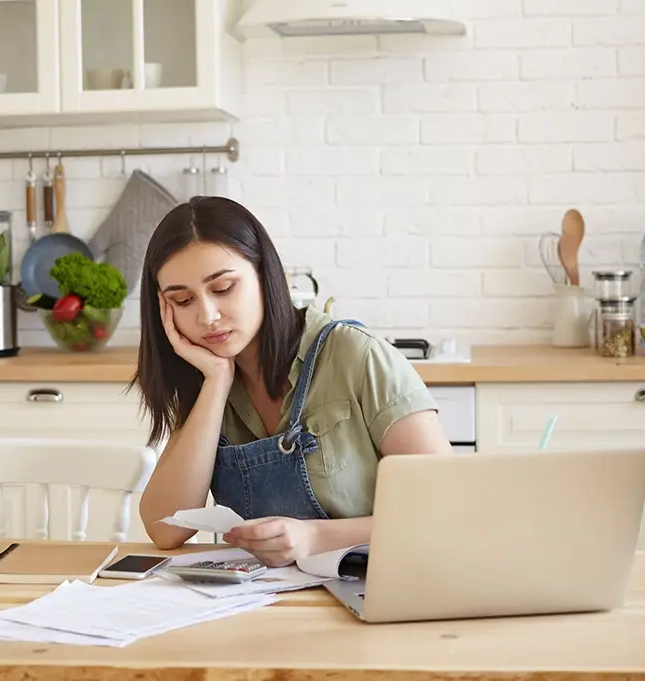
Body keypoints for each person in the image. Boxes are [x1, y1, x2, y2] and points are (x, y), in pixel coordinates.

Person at [130, 196, 452, 567]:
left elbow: (444, 509)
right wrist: (217, 382)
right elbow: (165, 529)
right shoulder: (209, 379)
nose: (208, 315)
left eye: (223, 289)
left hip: (383, 587)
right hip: (265, 603)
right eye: (183, 300)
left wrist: (315, 537)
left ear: (266, 276)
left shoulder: (355, 355)